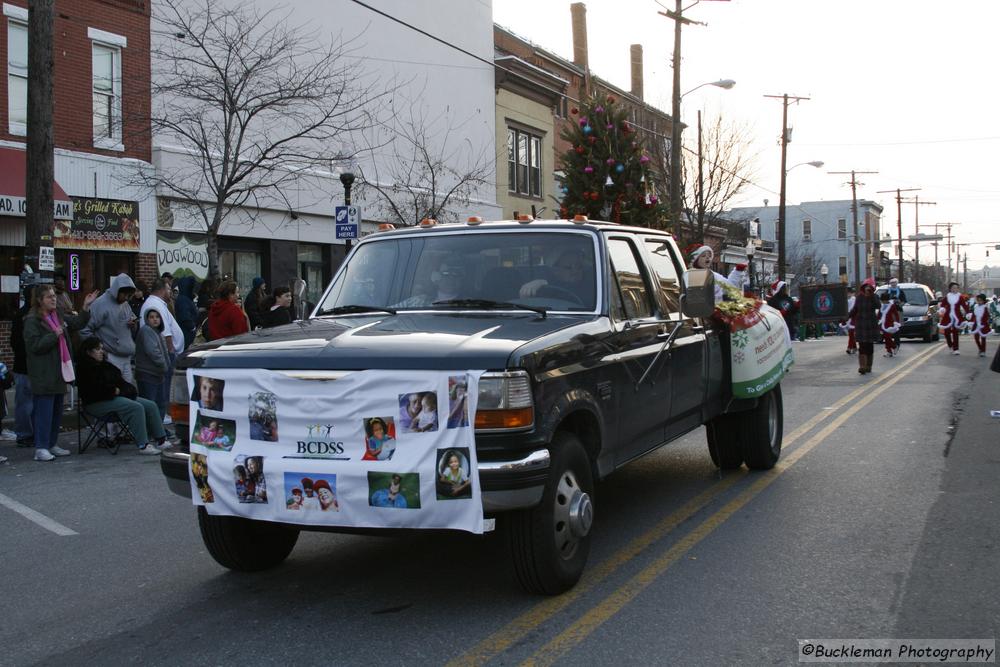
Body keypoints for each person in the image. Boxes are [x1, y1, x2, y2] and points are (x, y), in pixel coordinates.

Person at [24, 285, 98, 461]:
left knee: (57, 411)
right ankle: (41, 447)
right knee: (44, 412)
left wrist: (86, 307)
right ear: (40, 300)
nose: (53, 299)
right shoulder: (32, 320)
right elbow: (34, 346)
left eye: (54, 296)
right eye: (49, 297)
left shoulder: (57, 314)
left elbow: (77, 323)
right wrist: (54, 335)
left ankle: (52, 443)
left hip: (60, 371)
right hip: (43, 373)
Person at [76, 336, 169, 455]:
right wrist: (112, 391)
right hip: (96, 403)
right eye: (97, 349)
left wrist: (124, 391)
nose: (101, 352)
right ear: (88, 352)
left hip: (114, 398)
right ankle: (143, 444)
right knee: (135, 407)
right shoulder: (84, 368)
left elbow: (121, 383)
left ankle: (161, 440)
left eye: (102, 349)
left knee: (150, 405)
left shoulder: (106, 366)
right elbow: (91, 391)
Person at [80, 273, 139, 385]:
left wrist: (133, 325)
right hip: (111, 356)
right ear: (117, 290)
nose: (126, 298)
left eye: (129, 295)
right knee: (115, 391)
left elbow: (132, 325)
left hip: (127, 356)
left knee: (128, 391)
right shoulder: (101, 304)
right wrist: (99, 349)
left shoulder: (125, 304)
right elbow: (84, 330)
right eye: (124, 294)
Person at [140, 278, 185, 422]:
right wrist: (170, 353)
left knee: (162, 391)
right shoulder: (155, 305)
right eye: (168, 289)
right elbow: (166, 333)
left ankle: (161, 418)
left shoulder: (159, 304)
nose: (170, 291)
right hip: (162, 357)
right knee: (161, 391)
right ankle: (160, 419)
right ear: (162, 290)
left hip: (165, 354)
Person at [135, 309, 171, 420]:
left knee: (161, 403)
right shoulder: (147, 331)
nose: (155, 319)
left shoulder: (157, 332)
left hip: (158, 373)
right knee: (151, 404)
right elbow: (153, 352)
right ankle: (152, 430)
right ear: (147, 319)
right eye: (151, 317)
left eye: (157, 316)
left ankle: (158, 429)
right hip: (148, 373)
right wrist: (164, 365)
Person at [10, 287, 34, 447]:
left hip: (28, 365)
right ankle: (24, 434)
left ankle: (28, 433)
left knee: (29, 402)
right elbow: (16, 343)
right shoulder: (23, 316)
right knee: (25, 402)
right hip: (24, 366)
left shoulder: (31, 315)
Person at [519, 248, 590, 299]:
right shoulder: (545, 288)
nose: (575, 271)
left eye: (579, 266)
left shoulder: (593, 286)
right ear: (555, 270)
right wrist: (530, 289)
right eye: (568, 267)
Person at [848, 278, 880, 374]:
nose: (867, 288)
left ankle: (868, 366)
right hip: (861, 325)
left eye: (869, 287)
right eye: (866, 286)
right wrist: (846, 317)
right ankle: (862, 366)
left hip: (871, 325)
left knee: (869, 346)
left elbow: (878, 306)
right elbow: (855, 310)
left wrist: (872, 295)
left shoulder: (874, 297)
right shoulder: (859, 297)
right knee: (862, 346)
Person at [938, 282, 969, 355]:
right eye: (953, 288)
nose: (955, 289)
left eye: (956, 288)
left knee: (955, 332)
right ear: (950, 289)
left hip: (957, 316)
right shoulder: (947, 296)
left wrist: (968, 312)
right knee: (947, 332)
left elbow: (964, 305)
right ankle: (950, 345)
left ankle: (956, 349)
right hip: (948, 316)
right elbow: (942, 304)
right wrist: (942, 309)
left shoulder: (960, 297)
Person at [173, 276, 199, 349]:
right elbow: (185, 317)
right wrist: (192, 328)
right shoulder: (183, 300)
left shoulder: (184, 298)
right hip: (186, 333)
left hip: (187, 333)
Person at [878, 291, 901, 357]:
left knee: (887, 336)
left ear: (885, 300)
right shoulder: (882, 306)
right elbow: (879, 314)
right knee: (886, 337)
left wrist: (896, 322)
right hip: (882, 323)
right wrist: (876, 320)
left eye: (882, 300)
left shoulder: (892, 306)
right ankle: (889, 351)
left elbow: (896, 314)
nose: (881, 301)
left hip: (889, 324)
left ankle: (894, 347)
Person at [970, 293, 991, 357]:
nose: (979, 302)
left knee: (983, 338)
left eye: (980, 300)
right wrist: (971, 322)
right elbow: (973, 315)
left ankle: (983, 351)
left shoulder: (985, 307)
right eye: (978, 300)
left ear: (983, 301)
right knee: (976, 338)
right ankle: (980, 348)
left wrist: (983, 322)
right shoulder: (975, 306)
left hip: (983, 325)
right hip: (976, 324)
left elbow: (986, 316)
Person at [844, 286, 857, 355]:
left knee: (851, 333)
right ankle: (854, 347)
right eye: (846, 293)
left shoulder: (854, 299)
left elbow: (854, 309)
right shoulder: (845, 300)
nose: (847, 294)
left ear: (851, 293)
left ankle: (849, 347)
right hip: (847, 318)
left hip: (853, 318)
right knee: (851, 334)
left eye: (849, 293)